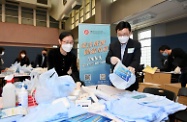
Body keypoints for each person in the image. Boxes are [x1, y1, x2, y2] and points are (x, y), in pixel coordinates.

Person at [106, 21, 141, 91]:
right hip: (117, 81)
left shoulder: (135, 44)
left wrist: (132, 67)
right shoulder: (113, 45)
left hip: (130, 81)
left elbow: (136, 60)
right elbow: (107, 58)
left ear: (130, 33)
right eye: (119, 34)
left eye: (125, 34)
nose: (122, 36)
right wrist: (111, 59)